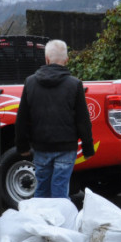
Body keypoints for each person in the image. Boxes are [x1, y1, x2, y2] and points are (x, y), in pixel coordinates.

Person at [15, 39, 94, 199]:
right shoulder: (74, 84)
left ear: (46, 59)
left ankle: (40, 215)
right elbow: (83, 120)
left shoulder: (30, 83)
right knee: (60, 190)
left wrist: (22, 146)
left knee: (41, 189)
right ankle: (60, 215)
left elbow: (22, 118)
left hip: (41, 147)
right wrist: (88, 148)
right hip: (66, 148)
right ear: (66, 60)